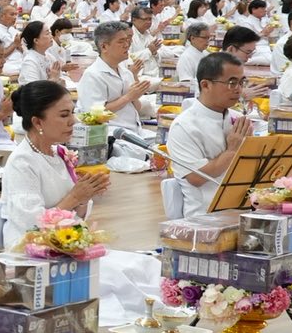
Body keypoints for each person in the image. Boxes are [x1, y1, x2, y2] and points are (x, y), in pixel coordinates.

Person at [0, 82, 113, 246]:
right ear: (38, 123)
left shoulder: (59, 153)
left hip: (65, 241)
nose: (73, 121)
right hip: (30, 250)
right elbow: (32, 227)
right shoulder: (22, 162)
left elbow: (75, 214)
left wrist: (84, 197)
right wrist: (75, 197)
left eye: (72, 113)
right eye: (64, 115)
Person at [164, 52, 255, 215]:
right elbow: (196, 178)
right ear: (205, 85)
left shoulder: (238, 119)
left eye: (242, 82)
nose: (239, 89)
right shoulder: (184, 126)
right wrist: (232, 151)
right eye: (232, 83)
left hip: (244, 208)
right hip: (205, 216)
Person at [78, 20, 154, 157]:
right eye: (120, 42)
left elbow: (135, 108)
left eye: (127, 40)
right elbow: (95, 116)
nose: (127, 45)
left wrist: (136, 95)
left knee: (166, 144)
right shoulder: (93, 75)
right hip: (111, 133)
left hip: (134, 129)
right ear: (104, 46)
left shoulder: (125, 71)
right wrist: (128, 97)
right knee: (143, 155)